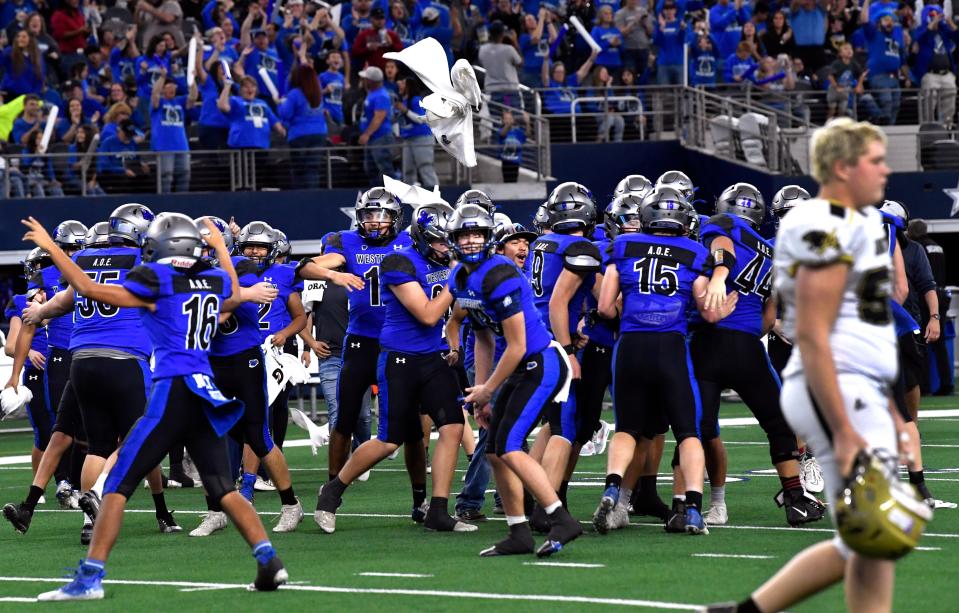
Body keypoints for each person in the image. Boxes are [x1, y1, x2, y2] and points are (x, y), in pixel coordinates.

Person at [707, 117, 931, 613]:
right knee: (880, 533)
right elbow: (812, 330)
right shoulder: (817, 228)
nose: (884, 171)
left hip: (859, 388)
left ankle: (750, 610)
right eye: (874, 161)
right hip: (837, 389)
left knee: (876, 541)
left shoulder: (856, 226)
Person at [19, 213, 289, 601]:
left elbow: (88, 289)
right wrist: (218, 248)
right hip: (205, 390)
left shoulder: (157, 280)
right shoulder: (211, 279)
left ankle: (90, 578)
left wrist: (51, 248)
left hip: (175, 391)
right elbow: (231, 290)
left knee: (115, 486)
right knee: (223, 488)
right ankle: (269, 563)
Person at [315, 203, 476, 534]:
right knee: (390, 440)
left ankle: (438, 509)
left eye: (451, 240)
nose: (447, 247)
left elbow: (457, 310)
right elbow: (429, 314)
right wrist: (457, 278)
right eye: (440, 241)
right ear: (420, 238)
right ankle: (333, 490)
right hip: (400, 358)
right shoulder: (399, 262)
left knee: (453, 426)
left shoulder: (445, 261)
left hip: (434, 356)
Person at [592, 186, 737, 536]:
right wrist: (720, 312)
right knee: (688, 432)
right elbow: (706, 309)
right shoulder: (694, 251)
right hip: (671, 346)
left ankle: (613, 488)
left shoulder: (623, 246)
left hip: (630, 345)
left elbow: (605, 307)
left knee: (627, 428)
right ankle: (692, 509)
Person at [447, 204, 582, 558]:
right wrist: (482, 394)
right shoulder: (460, 278)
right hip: (518, 367)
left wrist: (489, 387)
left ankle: (558, 516)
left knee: (508, 443)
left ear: (490, 237)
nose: (472, 241)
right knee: (493, 451)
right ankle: (518, 531)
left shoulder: (499, 274)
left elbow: (519, 344)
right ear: (454, 239)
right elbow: (482, 336)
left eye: (477, 234)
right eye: (464, 235)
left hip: (541, 363)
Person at [691, 183, 825, 528]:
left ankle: (691, 504)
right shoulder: (771, 251)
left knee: (698, 427)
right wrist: (749, 334)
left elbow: (722, 249)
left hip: (707, 341)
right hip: (748, 346)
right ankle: (795, 498)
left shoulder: (721, 224)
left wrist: (720, 275)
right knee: (779, 425)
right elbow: (770, 314)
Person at [298, 189, 429, 523]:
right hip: (361, 342)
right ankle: (331, 492)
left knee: (412, 427)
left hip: (399, 343)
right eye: (369, 214)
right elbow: (306, 268)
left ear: (395, 218)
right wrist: (332, 274)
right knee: (344, 418)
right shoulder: (345, 242)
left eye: (383, 215)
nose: (375, 221)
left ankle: (420, 500)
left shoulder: (410, 243)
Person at [191, 220, 304, 536]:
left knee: (258, 436)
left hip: (244, 359)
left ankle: (291, 504)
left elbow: (220, 311)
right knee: (208, 437)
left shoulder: (241, 264)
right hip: (211, 363)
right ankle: (215, 511)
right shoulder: (193, 271)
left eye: (206, 243)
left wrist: (237, 296)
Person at [906, 218, 953, 395]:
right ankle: (947, 384)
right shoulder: (937, 246)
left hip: (927, 297)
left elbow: (924, 280)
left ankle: (923, 385)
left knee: (922, 341)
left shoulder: (916, 248)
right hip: (941, 295)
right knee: (939, 344)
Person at [279, 62, 329, 189]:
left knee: (299, 170)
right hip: (319, 133)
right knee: (313, 168)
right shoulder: (318, 93)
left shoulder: (295, 93)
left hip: (299, 135)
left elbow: (284, 114)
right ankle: (312, 198)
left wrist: (279, 103)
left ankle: (300, 200)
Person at [860, 0, 908, 124]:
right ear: (879, 23)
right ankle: (883, 129)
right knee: (887, 102)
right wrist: (866, 2)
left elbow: (902, 62)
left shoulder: (896, 40)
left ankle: (888, 130)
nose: (889, 22)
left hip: (894, 77)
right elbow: (864, 20)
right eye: (886, 19)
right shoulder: (874, 34)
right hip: (879, 75)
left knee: (896, 105)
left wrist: (907, 77)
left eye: (891, 20)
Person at [151, 72, 197, 194]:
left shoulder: (180, 101)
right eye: (169, 87)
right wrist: (162, 77)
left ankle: (182, 205)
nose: (172, 89)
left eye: (174, 87)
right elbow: (155, 94)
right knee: (166, 177)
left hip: (182, 146)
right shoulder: (159, 103)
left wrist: (192, 80)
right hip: (164, 146)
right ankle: (165, 204)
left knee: (185, 175)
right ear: (163, 89)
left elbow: (193, 97)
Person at [914, 5, 959, 127]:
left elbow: (957, 37)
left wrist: (950, 23)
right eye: (933, 15)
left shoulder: (944, 31)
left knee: (950, 103)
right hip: (930, 74)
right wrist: (932, 23)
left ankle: (946, 127)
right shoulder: (921, 29)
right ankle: (928, 128)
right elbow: (921, 37)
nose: (937, 18)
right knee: (929, 104)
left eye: (938, 15)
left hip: (947, 73)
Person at [218, 75, 287, 149]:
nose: (250, 89)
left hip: (262, 146)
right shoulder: (235, 100)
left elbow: (275, 123)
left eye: (252, 86)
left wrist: (281, 129)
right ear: (240, 89)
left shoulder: (263, 103)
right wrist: (227, 86)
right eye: (246, 87)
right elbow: (222, 106)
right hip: (240, 146)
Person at [395, 77, 438, 190]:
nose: (399, 83)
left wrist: (405, 111)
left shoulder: (415, 100)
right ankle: (409, 197)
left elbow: (420, 119)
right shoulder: (403, 102)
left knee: (425, 167)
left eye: (403, 82)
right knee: (408, 171)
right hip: (408, 139)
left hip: (422, 137)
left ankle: (435, 195)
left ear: (409, 86)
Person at [357, 66, 397, 180]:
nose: (363, 81)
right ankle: (376, 195)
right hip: (374, 138)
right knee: (371, 170)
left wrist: (367, 134)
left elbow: (379, 117)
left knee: (385, 170)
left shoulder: (381, 95)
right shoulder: (373, 93)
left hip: (380, 137)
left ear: (370, 81)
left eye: (365, 79)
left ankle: (395, 195)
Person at [478, 20, 523, 110]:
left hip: (492, 91)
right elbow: (520, 62)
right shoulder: (509, 49)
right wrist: (514, 42)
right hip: (508, 91)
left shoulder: (482, 49)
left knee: (497, 120)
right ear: (502, 34)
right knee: (513, 119)